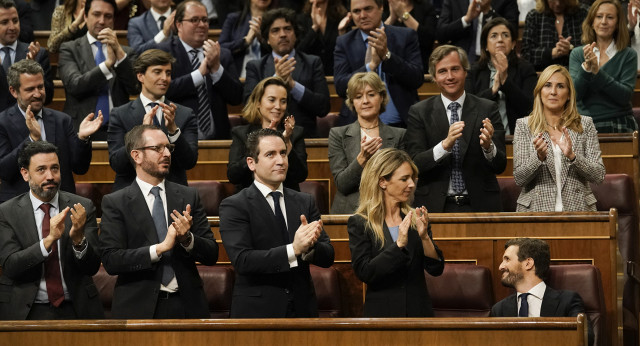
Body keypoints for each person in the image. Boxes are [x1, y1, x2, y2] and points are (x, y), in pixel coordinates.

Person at [99, 124, 219, 319]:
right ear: (136, 156)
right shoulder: (115, 202)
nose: (167, 154)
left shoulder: (188, 196)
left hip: (187, 305)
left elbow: (212, 254)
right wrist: (160, 248)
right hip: (137, 307)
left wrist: (187, 239)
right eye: (157, 148)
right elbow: (112, 260)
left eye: (168, 148)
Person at [219, 128, 335, 318]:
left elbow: (328, 255)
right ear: (251, 163)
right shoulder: (234, 205)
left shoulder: (304, 201)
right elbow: (243, 260)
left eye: (283, 153)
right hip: (257, 313)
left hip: (302, 310)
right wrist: (294, 249)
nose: (280, 161)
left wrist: (309, 248)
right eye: (270, 154)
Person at [0, 141, 104, 320]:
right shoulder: (6, 212)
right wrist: (48, 241)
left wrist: (79, 241)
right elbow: (11, 266)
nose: (50, 176)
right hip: (28, 310)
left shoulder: (82, 207)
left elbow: (92, 267)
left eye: (55, 168)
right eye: (41, 170)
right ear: (25, 174)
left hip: (76, 307)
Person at [406, 45, 506, 213]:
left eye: (455, 69)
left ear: (465, 72)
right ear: (434, 77)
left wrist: (488, 147)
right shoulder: (419, 112)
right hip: (434, 206)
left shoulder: (487, 108)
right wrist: (445, 146)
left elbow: (500, 165)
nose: (450, 76)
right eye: (442, 71)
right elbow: (415, 164)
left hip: (481, 206)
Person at [348, 148, 444, 317]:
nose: (412, 184)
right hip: (382, 315)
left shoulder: (415, 218)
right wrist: (398, 245)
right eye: (404, 179)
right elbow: (365, 272)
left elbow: (436, 269)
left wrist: (424, 237)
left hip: (418, 313)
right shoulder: (361, 222)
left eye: (412, 178)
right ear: (383, 182)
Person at [0, 60, 102, 203]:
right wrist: (31, 139)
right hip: (18, 207)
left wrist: (83, 138)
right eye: (30, 89)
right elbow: (4, 171)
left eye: (40, 87)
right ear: (13, 91)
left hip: (61, 204)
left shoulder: (62, 120)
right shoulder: (3, 123)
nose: (37, 94)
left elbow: (80, 168)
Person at [513, 65, 604, 211]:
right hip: (536, 211)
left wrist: (573, 157)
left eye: (560, 86)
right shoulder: (524, 126)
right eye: (548, 85)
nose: (553, 92)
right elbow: (519, 178)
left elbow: (598, 175)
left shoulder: (585, 124)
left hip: (578, 209)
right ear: (540, 91)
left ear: (568, 94)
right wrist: (538, 158)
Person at [108, 49, 198, 192]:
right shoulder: (120, 114)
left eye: (168, 73)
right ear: (140, 76)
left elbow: (189, 162)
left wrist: (174, 132)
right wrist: (140, 134)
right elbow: (117, 164)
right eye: (157, 72)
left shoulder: (185, 114)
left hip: (173, 194)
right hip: (131, 194)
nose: (165, 78)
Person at [158, 0, 243, 140]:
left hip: (218, 140)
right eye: (194, 20)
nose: (202, 25)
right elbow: (164, 90)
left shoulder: (222, 54)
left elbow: (236, 97)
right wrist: (198, 75)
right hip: (177, 138)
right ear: (178, 25)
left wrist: (216, 69)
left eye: (205, 20)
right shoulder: (164, 52)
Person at [333, 0, 423, 127]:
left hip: (402, 124)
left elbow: (417, 78)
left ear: (381, 8)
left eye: (368, 9)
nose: (362, 15)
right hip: (358, 127)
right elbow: (341, 87)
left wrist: (387, 56)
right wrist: (371, 66)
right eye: (356, 11)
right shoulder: (344, 43)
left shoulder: (405, 36)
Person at [244, 8, 330, 138]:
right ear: (267, 38)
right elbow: (248, 106)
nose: (283, 34)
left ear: (295, 35)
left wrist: (293, 86)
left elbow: (323, 107)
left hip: (305, 138)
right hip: (264, 139)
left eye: (288, 29)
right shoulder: (255, 67)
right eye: (275, 30)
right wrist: (276, 79)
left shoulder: (312, 62)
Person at [58, 0, 137, 141]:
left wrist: (118, 53)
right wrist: (106, 66)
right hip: (81, 128)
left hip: (119, 130)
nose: (102, 21)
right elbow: (75, 85)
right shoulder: (69, 49)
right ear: (85, 16)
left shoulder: (125, 53)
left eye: (108, 16)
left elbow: (134, 88)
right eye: (96, 14)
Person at [328, 72, 406, 214]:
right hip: (350, 212)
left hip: (389, 211)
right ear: (352, 102)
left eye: (371, 94)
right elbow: (342, 184)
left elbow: (403, 179)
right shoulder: (338, 134)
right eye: (358, 96)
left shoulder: (399, 135)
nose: (365, 101)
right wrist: (361, 159)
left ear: (381, 97)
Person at [491, 238, 593, 344]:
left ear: (528, 263)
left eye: (507, 259)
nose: (501, 266)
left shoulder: (568, 301)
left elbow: (585, 338)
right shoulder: (499, 310)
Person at [228, 77, 307, 192]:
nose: (278, 106)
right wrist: (258, 147)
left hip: (286, 199)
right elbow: (233, 175)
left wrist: (287, 145)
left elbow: (301, 176)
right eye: (271, 100)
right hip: (250, 200)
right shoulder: (241, 133)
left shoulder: (295, 133)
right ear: (258, 103)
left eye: (283, 101)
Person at [569, 0, 637, 133]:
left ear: (617, 23)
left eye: (610, 17)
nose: (604, 22)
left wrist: (597, 72)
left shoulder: (628, 55)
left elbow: (624, 97)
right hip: (585, 124)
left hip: (619, 122)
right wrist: (586, 69)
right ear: (592, 22)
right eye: (599, 16)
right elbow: (574, 95)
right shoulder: (578, 54)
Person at [465, 17, 537, 135]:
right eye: (494, 36)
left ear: (513, 43)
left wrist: (505, 81)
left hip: (517, 138)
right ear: (486, 46)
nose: (500, 40)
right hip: (480, 139)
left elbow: (531, 109)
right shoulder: (474, 71)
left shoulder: (525, 69)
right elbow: (468, 108)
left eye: (505, 35)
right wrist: (492, 91)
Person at [0, 0, 53, 112]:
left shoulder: (38, 54)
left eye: (15, 21)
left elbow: (48, 97)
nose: (12, 27)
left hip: (27, 122)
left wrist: (32, 68)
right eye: (4, 22)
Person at [437, 0, 519, 63]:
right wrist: (466, 20)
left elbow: (513, 32)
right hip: (462, 61)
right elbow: (440, 34)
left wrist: (488, 12)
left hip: (496, 60)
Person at [521, 0, 588, 71]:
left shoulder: (581, 14)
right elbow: (526, 55)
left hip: (575, 74)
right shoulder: (534, 16)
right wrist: (552, 53)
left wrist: (570, 50)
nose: (558, 4)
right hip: (543, 75)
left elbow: (590, 49)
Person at [219, 0, 273, 78]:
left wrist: (262, 40)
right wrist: (245, 41)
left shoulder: (277, 21)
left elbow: (282, 50)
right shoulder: (233, 19)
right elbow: (221, 48)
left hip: (267, 76)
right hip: (238, 75)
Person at [297, 0, 351, 76]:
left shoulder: (341, 18)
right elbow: (298, 52)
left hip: (336, 74)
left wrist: (341, 33)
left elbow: (349, 53)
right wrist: (314, 28)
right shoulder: (301, 19)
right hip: (310, 76)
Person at [383, 0, 437, 72]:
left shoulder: (425, 6)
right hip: (388, 65)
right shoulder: (383, 7)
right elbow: (377, 37)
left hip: (418, 66)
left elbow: (427, 39)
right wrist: (392, 18)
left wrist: (404, 14)